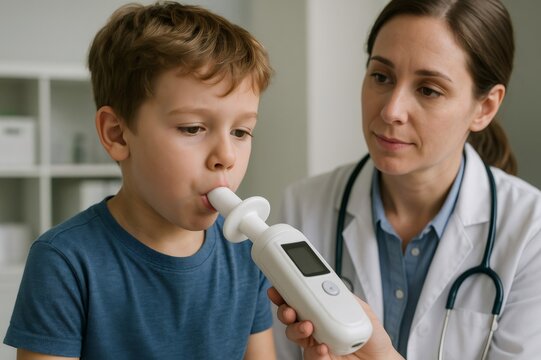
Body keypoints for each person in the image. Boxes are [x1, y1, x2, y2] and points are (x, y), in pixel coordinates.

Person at [3, 2, 276, 359]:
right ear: (117, 134)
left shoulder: (247, 254)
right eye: (192, 128)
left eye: (241, 131)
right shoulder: (65, 261)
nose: (226, 155)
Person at [272, 0, 541, 359]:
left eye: (428, 89)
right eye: (381, 77)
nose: (391, 110)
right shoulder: (300, 211)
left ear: (485, 107)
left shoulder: (531, 233)